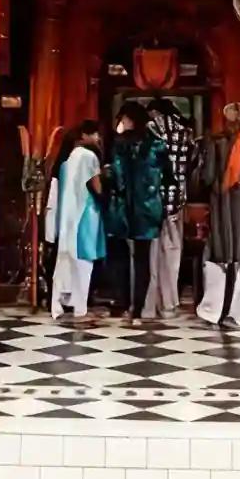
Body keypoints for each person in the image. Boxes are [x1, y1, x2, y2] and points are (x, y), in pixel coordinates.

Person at [195, 101, 240, 328]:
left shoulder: (215, 143)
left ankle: (212, 311)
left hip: (223, 204)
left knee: (219, 256)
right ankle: (238, 313)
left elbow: (205, 178)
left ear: (225, 118)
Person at [104, 101, 171, 323]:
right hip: (148, 208)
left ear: (129, 119)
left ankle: (122, 303)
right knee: (143, 261)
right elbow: (169, 176)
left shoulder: (119, 144)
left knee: (120, 256)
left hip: (123, 208)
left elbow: (117, 177)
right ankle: (138, 310)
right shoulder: (157, 145)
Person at [44, 121, 106, 321]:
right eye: (95, 134)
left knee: (65, 261)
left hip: (67, 218)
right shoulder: (89, 157)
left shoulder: (64, 162)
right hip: (86, 215)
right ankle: (80, 308)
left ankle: (58, 304)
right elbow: (97, 187)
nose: (98, 138)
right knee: (84, 262)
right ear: (84, 136)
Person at [142, 99, 194, 319]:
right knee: (172, 253)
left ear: (154, 112)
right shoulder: (185, 133)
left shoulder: (151, 131)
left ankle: (150, 305)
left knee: (151, 257)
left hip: (152, 200)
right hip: (176, 200)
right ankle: (169, 304)